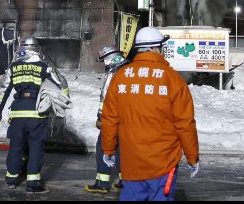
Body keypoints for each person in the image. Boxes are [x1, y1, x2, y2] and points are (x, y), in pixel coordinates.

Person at [100, 27, 199, 201]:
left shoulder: (121, 76)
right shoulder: (172, 78)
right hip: (163, 161)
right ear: (156, 48)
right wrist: (192, 157)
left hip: (132, 161)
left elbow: (109, 118)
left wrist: (108, 149)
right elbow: (185, 123)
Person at [0, 36, 69, 193]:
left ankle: (11, 179)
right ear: (36, 48)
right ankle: (32, 184)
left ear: (21, 48)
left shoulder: (13, 66)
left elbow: (3, 89)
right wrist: (62, 103)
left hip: (18, 113)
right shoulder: (44, 65)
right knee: (35, 148)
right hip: (37, 113)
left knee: (16, 147)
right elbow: (61, 84)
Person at [84, 45, 129, 195]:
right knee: (121, 149)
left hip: (111, 118)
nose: (104, 63)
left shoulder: (114, 71)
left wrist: (100, 117)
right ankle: (124, 180)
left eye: (103, 60)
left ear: (109, 57)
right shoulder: (130, 69)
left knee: (103, 146)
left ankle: (102, 183)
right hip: (127, 119)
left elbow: (106, 97)